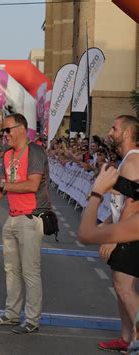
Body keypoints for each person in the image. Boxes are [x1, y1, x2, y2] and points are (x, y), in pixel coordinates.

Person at [0, 113, 50, 334]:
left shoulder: (34, 151)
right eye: (3, 131)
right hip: (13, 217)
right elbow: (5, 188)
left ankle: (32, 319)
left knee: (30, 271)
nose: (4, 135)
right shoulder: (7, 156)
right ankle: (11, 314)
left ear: (22, 129)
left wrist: (0, 186)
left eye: (8, 130)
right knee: (11, 270)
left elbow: (31, 185)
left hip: (31, 217)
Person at [94, 115, 139, 353]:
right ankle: (126, 337)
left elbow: (133, 205)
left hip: (131, 234)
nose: (110, 132)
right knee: (120, 284)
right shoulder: (126, 161)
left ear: (127, 133)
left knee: (124, 287)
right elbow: (123, 202)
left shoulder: (133, 162)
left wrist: (114, 238)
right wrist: (107, 223)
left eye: (115, 128)